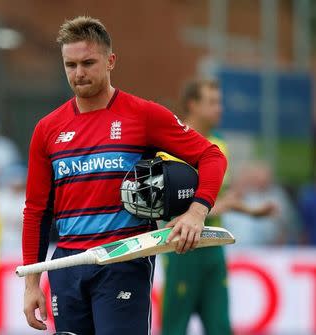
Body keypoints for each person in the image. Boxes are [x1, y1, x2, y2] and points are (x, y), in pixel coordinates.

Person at [22, 17, 227, 335]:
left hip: (124, 260)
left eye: (88, 63)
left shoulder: (143, 115)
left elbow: (211, 157)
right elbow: (36, 211)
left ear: (110, 61)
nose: (79, 73)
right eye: (70, 65)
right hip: (67, 266)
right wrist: (32, 283)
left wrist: (197, 212)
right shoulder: (47, 129)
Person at [161, 79, 275, 335]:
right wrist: (217, 207)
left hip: (214, 249)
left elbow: (221, 198)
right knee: (174, 328)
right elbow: (173, 212)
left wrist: (253, 212)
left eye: (219, 102)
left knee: (221, 327)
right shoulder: (171, 147)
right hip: (182, 250)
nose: (220, 108)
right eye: (212, 102)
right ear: (193, 105)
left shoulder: (219, 143)